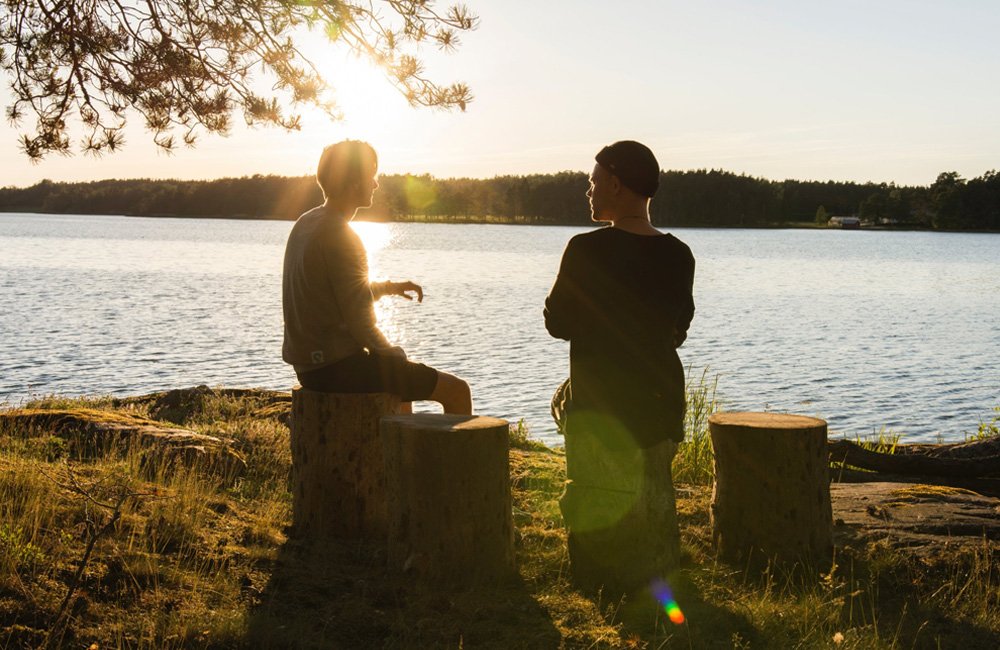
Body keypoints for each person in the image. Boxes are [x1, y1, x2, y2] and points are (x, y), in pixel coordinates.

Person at [544, 140, 695, 595]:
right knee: (652, 493)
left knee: (567, 409)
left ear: (614, 182)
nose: (588, 191)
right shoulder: (679, 254)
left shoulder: (586, 250)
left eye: (592, 182)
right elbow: (677, 327)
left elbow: (558, 322)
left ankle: (601, 582)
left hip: (600, 408)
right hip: (658, 406)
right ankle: (657, 571)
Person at [282, 140, 472, 414]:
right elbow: (361, 321)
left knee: (399, 379)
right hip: (337, 368)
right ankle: (460, 458)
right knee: (456, 390)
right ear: (354, 183)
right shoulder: (341, 235)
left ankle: (402, 453)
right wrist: (394, 353)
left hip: (308, 367)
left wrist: (388, 288)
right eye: (371, 176)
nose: (376, 183)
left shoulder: (307, 222)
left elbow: (336, 294)